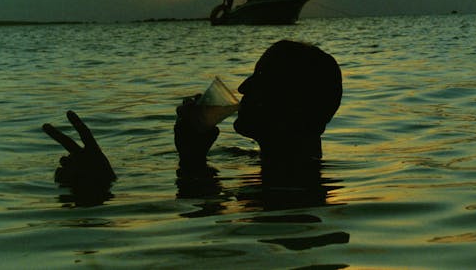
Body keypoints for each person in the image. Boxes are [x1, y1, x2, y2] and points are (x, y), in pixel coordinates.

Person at [43, 40, 342, 206]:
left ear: (295, 105)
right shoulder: (272, 170)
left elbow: (204, 226)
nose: (243, 87)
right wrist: (192, 157)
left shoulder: (292, 191)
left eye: (262, 79)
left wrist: (103, 186)